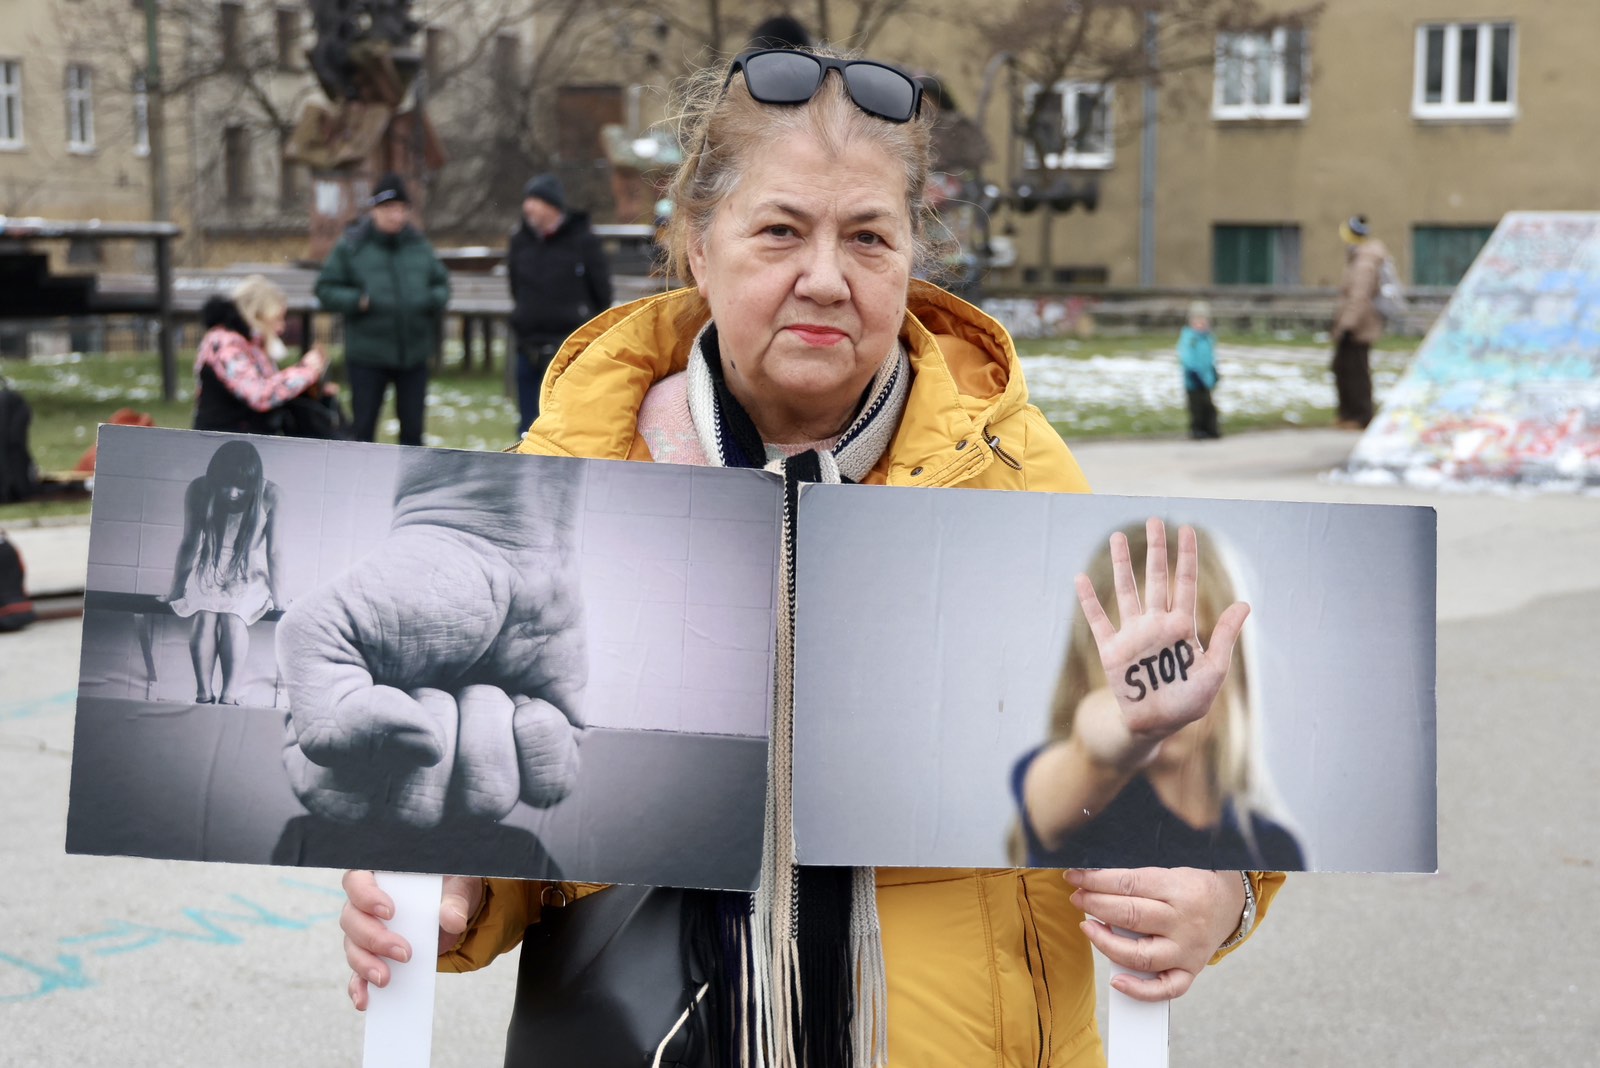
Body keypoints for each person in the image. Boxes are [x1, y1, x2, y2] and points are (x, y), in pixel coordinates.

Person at [318, 46, 1285, 1067]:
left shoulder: (1014, 478)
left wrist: (1216, 892)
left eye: (867, 237)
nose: (825, 279)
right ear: (699, 244)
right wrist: (457, 883)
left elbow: (1186, 752)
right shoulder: (571, 482)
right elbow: (517, 796)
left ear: (911, 253)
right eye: (781, 231)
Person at [1012, 518, 1304, 872]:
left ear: (1238, 674)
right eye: (1138, 656)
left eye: (1191, 649)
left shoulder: (1275, 851)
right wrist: (1133, 723)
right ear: (1085, 675)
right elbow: (1090, 750)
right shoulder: (1073, 796)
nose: (1166, 682)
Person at [314, 173, 451, 446]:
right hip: (368, 356)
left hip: (413, 354)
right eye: (389, 208)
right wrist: (357, 300)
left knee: (413, 435)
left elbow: (441, 285)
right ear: (374, 210)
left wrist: (429, 299)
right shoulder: (352, 246)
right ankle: (360, 474)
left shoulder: (418, 245)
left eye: (402, 209)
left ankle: (410, 475)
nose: (396, 216)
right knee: (363, 432)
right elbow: (325, 288)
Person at [161, 439, 284, 705]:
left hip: (248, 570)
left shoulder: (271, 494)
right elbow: (189, 543)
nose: (232, 493)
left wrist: (279, 600)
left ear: (253, 482)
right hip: (209, 566)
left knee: (233, 617)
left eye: (241, 486)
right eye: (226, 484)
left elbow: (274, 553)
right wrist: (175, 590)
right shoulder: (199, 489)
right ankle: (203, 694)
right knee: (205, 615)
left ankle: (230, 696)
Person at [507, 173, 614, 435]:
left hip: (567, 351)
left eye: (534, 200)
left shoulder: (584, 241)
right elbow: (515, 287)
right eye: (527, 200)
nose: (527, 207)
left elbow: (602, 294)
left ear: (552, 205)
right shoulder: (519, 242)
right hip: (528, 348)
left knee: (565, 429)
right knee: (528, 429)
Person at [191, 276, 330, 437]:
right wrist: (306, 371)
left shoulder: (250, 341)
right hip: (221, 440)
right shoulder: (224, 343)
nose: (281, 327)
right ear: (258, 315)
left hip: (243, 437)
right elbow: (259, 395)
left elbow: (269, 386)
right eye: (277, 318)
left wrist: (310, 386)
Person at [1331, 214, 1388, 430]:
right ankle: (1348, 414)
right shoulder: (1359, 257)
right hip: (1356, 323)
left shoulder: (1364, 261)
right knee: (1344, 369)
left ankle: (1360, 416)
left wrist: (1347, 325)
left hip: (1359, 326)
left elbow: (1359, 296)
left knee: (1356, 373)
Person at [1177, 299, 1221, 439]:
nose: (1201, 324)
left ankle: (1211, 428)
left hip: (1206, 378)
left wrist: (1213, 371)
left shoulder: (1208, 338)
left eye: (1203, 321)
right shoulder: (1190, 338)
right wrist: (1192, 371)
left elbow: (1210, 357)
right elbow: (1186, 356)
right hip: (1193, 378)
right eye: (1197, 321)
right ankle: (1196, 430)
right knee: (1196, 406)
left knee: (1208, 405)